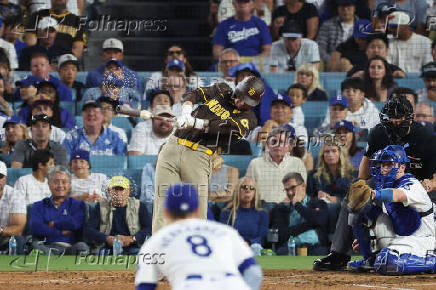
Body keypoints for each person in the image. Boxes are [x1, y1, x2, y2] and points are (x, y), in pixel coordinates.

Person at [313, 96, 436, 271]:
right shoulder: (379, 132)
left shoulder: (425, 137)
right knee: (353, 197)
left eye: (399, 116)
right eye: (390, 116)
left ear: (409, 117)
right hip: (385, 181)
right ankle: (341, 253)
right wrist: (360, 187)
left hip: (418, 185)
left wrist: (431, 183)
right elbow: (365, 167)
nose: (394, 121)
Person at [152, 76, 263, 233]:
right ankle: (158, 255)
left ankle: (198, 255)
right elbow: (195, 94)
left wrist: (196, 123)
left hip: (199, 156)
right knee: (162, 206)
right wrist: (186, 111)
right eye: (241, 97)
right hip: (173, 146)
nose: (242, 102)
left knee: (197, 211)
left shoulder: (249, 119)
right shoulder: (222, 90)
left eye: (248, 102)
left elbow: (224, 128)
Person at [135, 183, 263, 290]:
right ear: (197, 210)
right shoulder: (226, 232)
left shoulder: (155, 241)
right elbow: (254, 273)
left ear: (166, 212)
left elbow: (145, 285)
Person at [347, 145, 435, 274]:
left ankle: (431, 262)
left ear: (402, 167)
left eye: (389, 165)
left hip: (422, 239)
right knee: (361, 211)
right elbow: (392, 220)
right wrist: (368, 238)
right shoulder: (387, 187)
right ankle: (370, 261)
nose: (384, 169)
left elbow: (398, 195)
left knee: (387, 262)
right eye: (382, 165)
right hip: (400, 237)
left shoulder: (412, 183)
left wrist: (373, 193)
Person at [84, 176, 151, 255]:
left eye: (121, 189)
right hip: (106, 249)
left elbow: (149, 228)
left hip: (134, 248)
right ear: (109, 191)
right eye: (115, 189)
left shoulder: (139, 206)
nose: (118, 193)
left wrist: (132, 238)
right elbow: (88, 230)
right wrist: (106, 238)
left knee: (142, 254)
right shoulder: (100, 206)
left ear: (128, 191)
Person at [30, 166, 89, 255]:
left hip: (71, 247)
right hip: (46, 247)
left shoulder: (78, 205)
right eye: (56, 182)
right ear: (49, 184)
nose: (60, 185)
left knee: (82, 247)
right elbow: (36, 228)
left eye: (64, 182)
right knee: (36, 248)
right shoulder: (38, 206)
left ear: (69, 185)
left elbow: (75, 224)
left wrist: (53, 224)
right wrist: (60, 232)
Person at [246, 127, 307, 212]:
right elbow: (248, 189)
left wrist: (290, 201)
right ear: (267, 144)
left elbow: (302, 190)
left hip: (289, 207)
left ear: (288, 146)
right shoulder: (255, 163)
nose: (277, 145)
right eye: (274, 142)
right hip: (262, 207)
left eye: (281, 142)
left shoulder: (297, 163)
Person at [270, 172, 329, 255]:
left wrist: (297, 204)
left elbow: (320, 220)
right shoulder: (281, 208)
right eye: (287, 190)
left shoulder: (319, 203)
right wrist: (311, 224)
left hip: (316, 247)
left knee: (322, 253)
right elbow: (281, 234)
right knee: (281, 252)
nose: (290, 193)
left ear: (303, 186)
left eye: (293, 187)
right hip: (291, 248)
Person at [219, 177, 268, 251]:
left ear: (255, 193)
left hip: (253, 248)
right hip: (232, 247)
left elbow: (263, 237)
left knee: (256, 247)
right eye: (244, 187)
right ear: (238, 191)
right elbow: (223, 235)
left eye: (252, 188)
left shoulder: (262, 214)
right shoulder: (227, 212)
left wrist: (248, 243)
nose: (248, 190)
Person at [316, 0, 358, 65]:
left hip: (355, 63)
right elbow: (320, 48)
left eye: (348, 6)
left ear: (354, 8)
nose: (345, 9)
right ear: (338, 8)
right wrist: (332, 61)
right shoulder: (327, 25)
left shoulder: (362, 26)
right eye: (342, 6)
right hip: (331, 63)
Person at [0, 161, 26, 254]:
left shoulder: (15, 195)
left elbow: (18, 229)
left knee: (18, 239)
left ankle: (14, 268)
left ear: (5, 178)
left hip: (5, 237)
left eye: (0, 176)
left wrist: (1, 230)